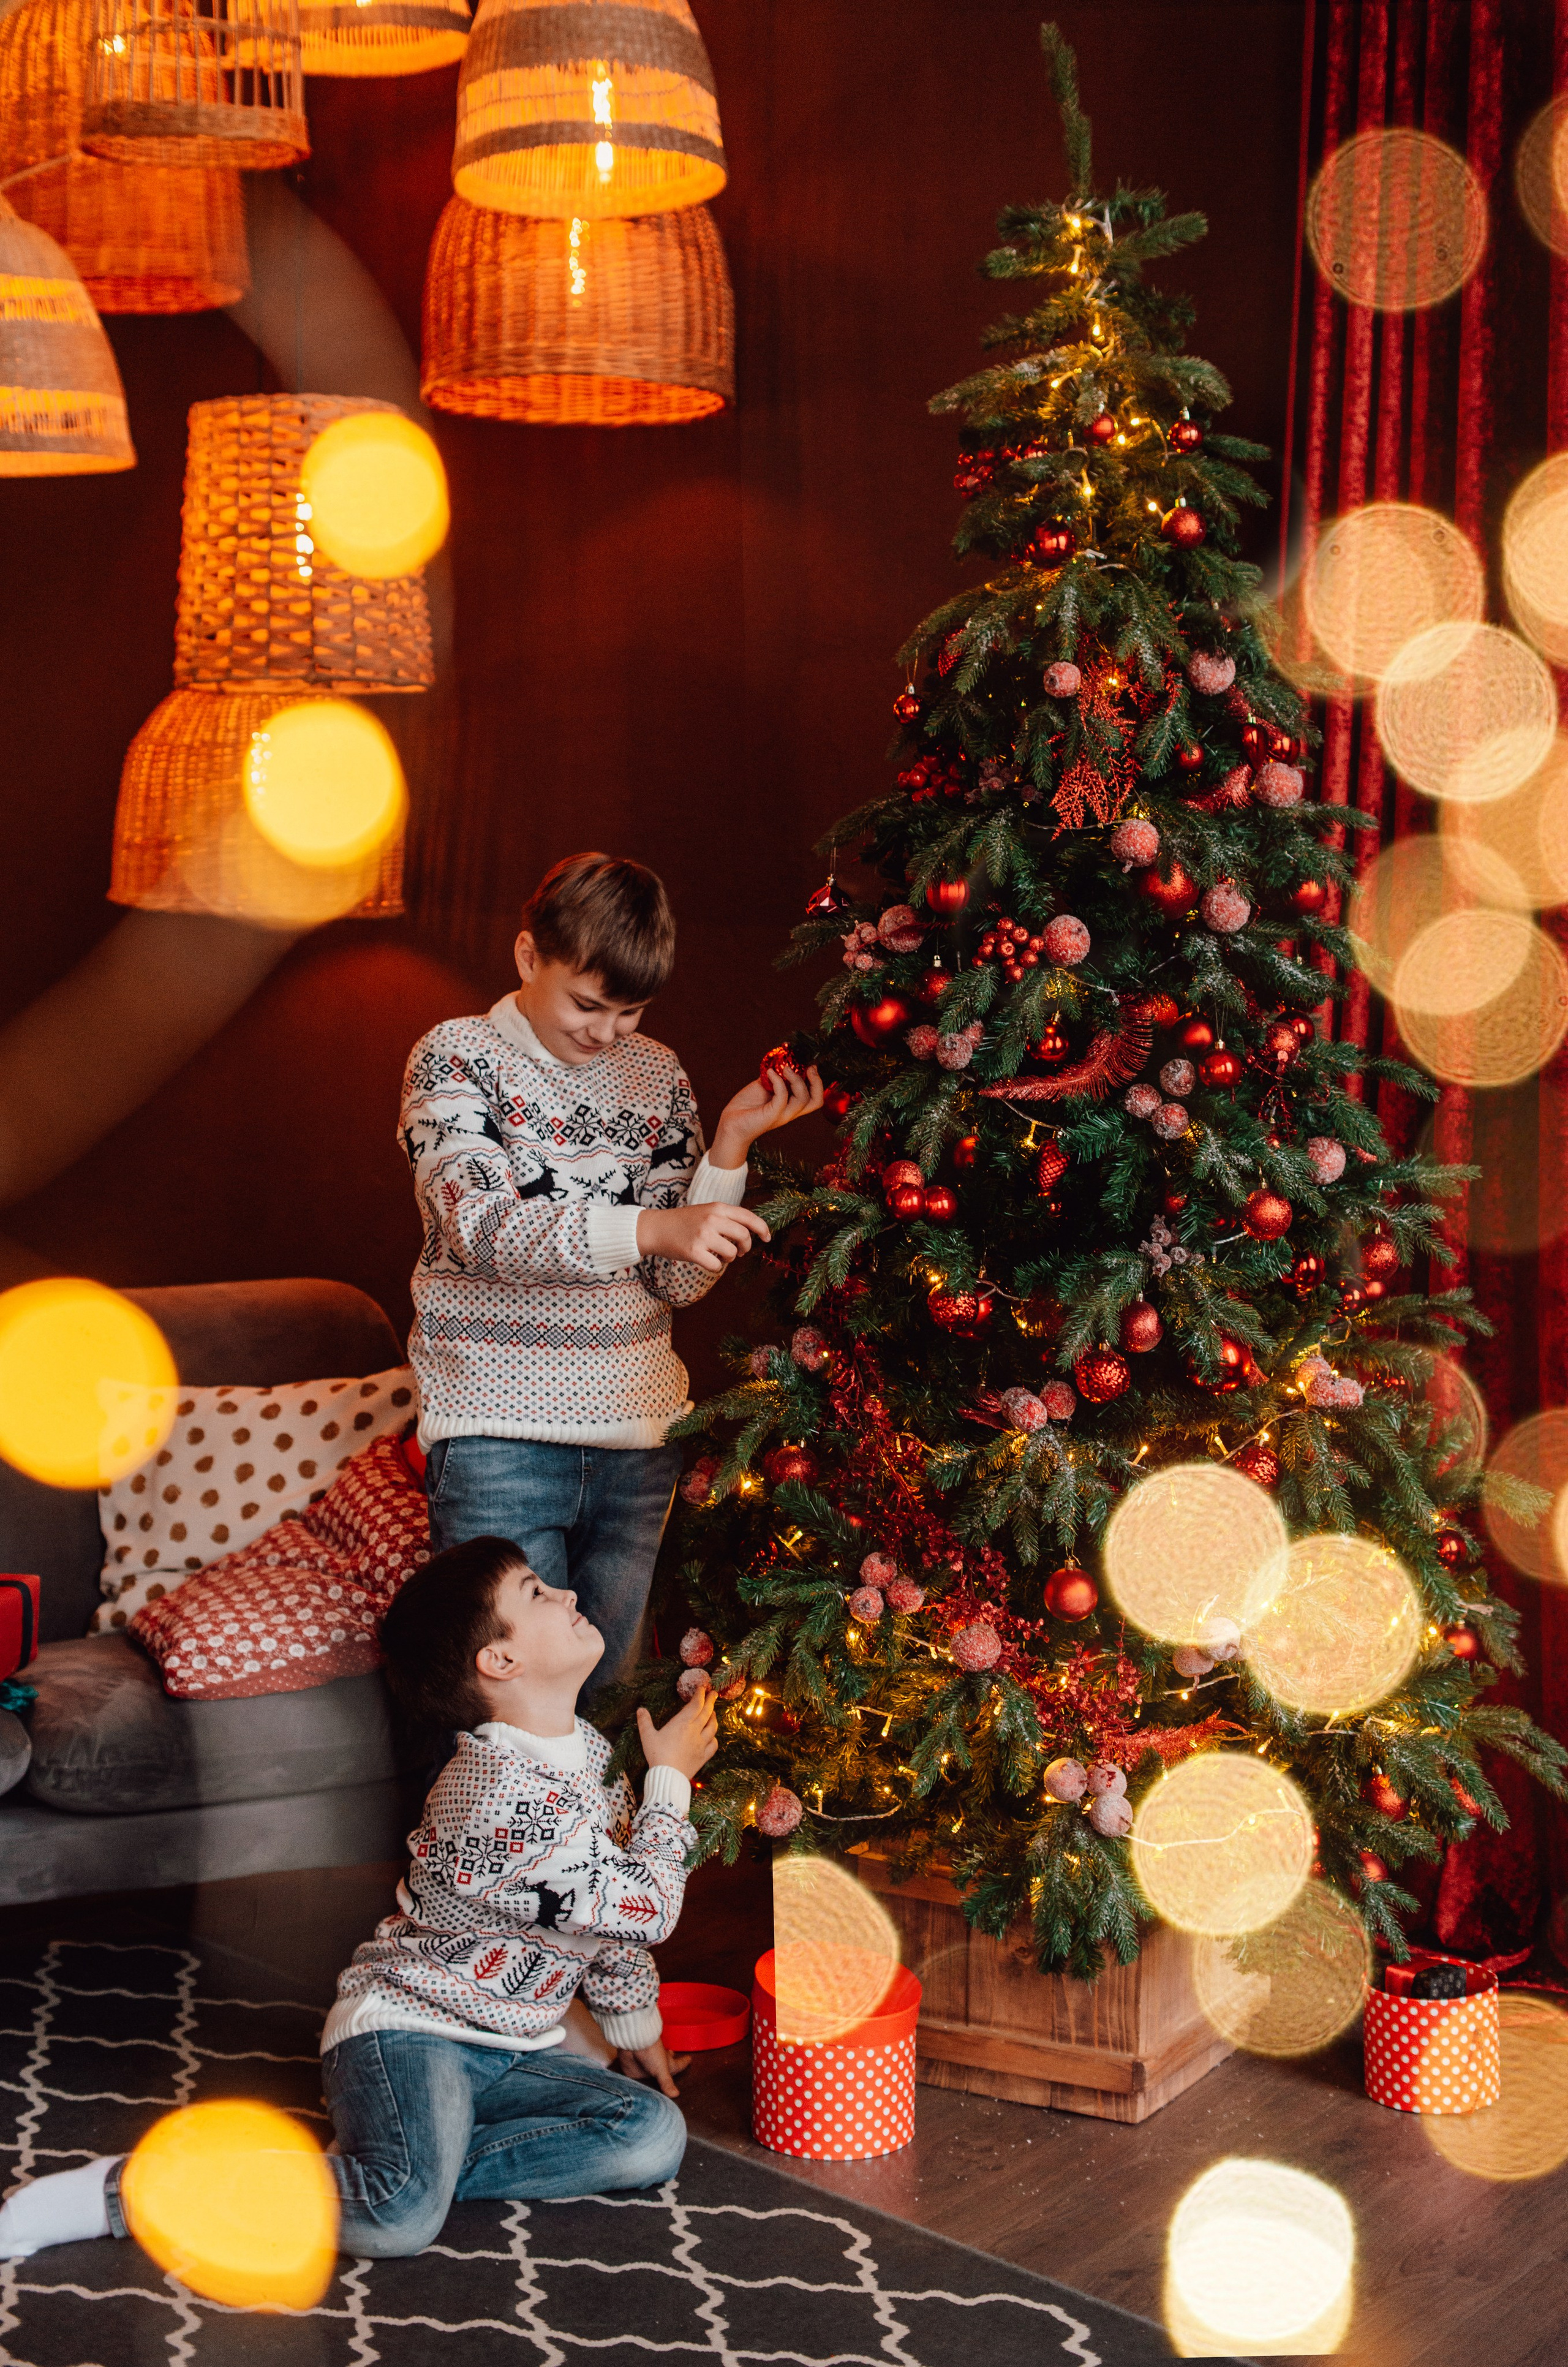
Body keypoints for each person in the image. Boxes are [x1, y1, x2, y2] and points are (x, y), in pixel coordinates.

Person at [0, 1533, 719, 2262]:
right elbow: (643, 1907)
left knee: (650, 2135)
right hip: (412, 2032)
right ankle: (136, 2192)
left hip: (509, 2041)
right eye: (537, 1592)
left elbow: (602, 1927)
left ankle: (389, 2166)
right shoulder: (496, 1797)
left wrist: (633, 2025)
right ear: (499, 1661)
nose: (566, 1595)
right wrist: (672, 1782)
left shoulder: (590, 1759)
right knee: (400, 2220)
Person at [401, 850, 821, 1699]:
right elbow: (479, 1227)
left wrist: (728, 1149)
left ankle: (612, 1839)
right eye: (587, 1004)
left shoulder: (656, 1073)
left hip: (636, 1440)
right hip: (499, 1436)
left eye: (630, 1011)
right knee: (507, 1712)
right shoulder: (455, 1058)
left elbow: (674, 1283)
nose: (606, 1032)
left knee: (609, 1702)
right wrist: (655, 1225)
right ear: (529, 958)